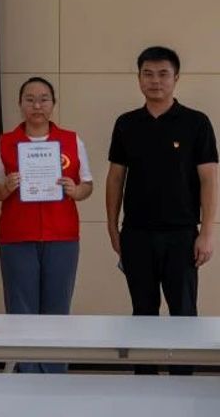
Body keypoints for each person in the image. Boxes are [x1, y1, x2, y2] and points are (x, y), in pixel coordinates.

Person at [106, 46, 217, 375]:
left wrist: (207, 232)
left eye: (163, 74)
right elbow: (115, 179)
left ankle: (183, 383)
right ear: (139, 78)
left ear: (176, 78)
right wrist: (113, 228)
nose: (155, 81)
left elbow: (209, 179)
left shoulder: (196, 123)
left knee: (183, 313)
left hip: (182, 235)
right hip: (136, 233)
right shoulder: (126, 124)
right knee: (143, 313)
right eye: (148, 74)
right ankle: (145, 384)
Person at [0, 77, 93, 373]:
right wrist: (6, 188)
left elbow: (87, 184)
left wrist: (76, 190)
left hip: (62, 236)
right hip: (17, 236)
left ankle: (53, 375)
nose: (37, 105)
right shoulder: (6, 143)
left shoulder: (71, 140)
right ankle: (27, 373)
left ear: (53, 104)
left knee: (57, 308)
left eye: (44, 99)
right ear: (20, 104)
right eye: (30, 99)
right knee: (21, 309)